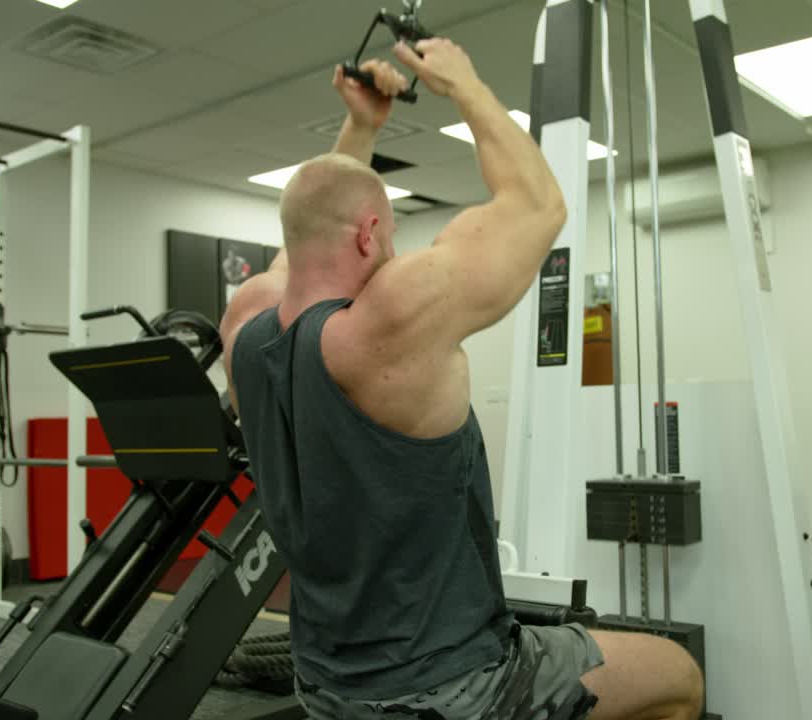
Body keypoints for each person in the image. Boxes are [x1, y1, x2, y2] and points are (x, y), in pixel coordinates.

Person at [221, 38, 704, 720]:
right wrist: (463, 82)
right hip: (451, 687)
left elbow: (312, 230)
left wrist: (361, 128)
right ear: (369, 234)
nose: (391, 250)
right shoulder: (389, 320)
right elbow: (538, 205)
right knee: (677, 676)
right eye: (388, 236)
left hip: (325, 685)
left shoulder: (246, 328)